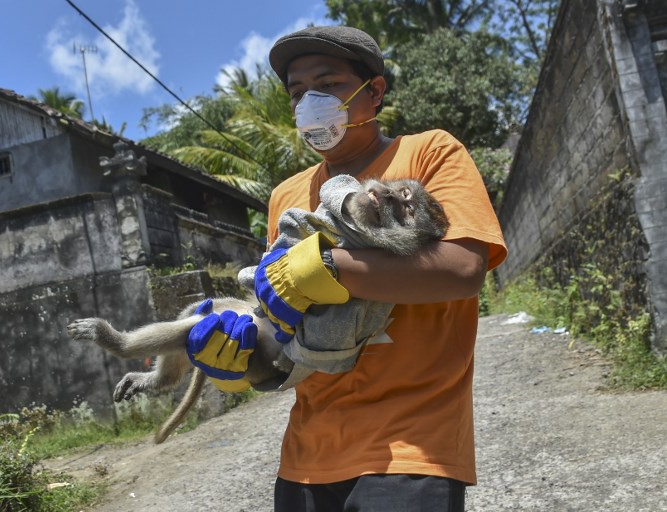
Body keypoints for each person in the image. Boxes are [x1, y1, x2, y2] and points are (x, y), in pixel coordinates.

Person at [186, 25, 507, 512]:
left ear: (373, 92)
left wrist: (329, 265)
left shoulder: (429, 153)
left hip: (412, 450)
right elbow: (292, 332)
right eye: (298, 92)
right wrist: (243, 363)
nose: (310, 101)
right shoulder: (286, 196)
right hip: (306, 459)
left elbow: (462, 270)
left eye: (328, 84)